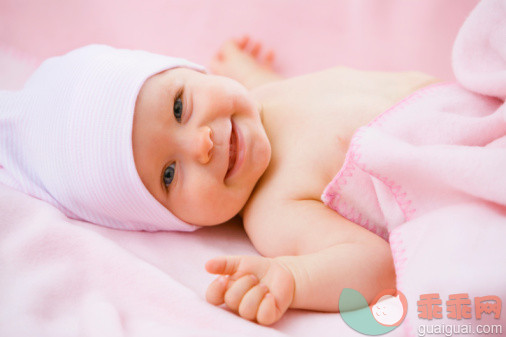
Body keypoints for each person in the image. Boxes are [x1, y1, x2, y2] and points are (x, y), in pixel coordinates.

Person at [0, 37, 437, 326]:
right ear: (175, 222)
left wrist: (249, 71)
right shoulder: (273, 209)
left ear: (194, 73)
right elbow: (378, 266)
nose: (202, 143)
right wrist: (293, 277)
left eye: (178, 106)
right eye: (170, 174)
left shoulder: (264, 96)